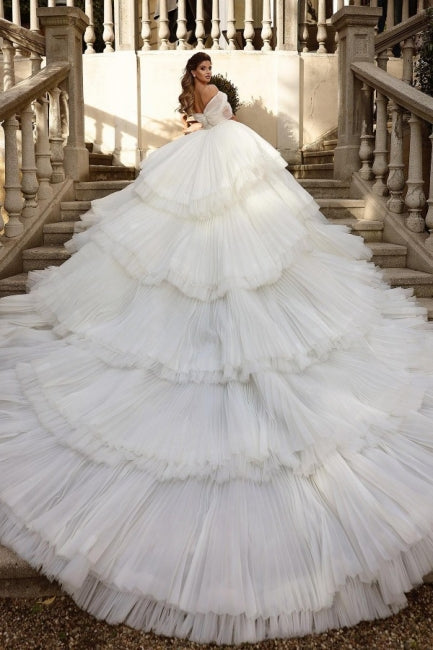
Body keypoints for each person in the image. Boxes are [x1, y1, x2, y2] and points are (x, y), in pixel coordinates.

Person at [1, 51, 433, 645]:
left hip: (214, 159)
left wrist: (210, 120)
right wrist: (216, 119)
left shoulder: (200, 100)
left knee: (242, 238)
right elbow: (215, 125)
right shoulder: (210, 102)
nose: (206, 76)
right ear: (197, 75)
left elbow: (206, 125)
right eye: (201, 71)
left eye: (207, 71)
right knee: (210, 238)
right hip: (217, 160)